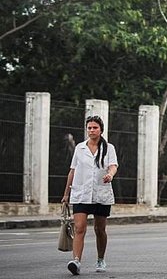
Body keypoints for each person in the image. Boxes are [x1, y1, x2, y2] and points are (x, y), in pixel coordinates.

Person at [61, 115, 118, 275]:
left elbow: (113, 166)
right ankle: (76, 261)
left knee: (100, 229)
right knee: (79, 228)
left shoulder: (109, 148)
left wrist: (110, 175)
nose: (92, 130)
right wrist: (66, 194)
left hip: (101, 193)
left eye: (95, 128)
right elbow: (72, 171)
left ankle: (100, 259)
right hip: (81, 193)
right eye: (89, 128)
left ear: (101, 130)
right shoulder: (80, 148)